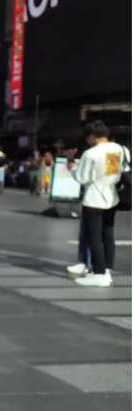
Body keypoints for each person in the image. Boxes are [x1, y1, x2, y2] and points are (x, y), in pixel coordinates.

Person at [67, 121, 129, 287]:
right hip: (113, 196)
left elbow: (82, 178)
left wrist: (73, 169)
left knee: (93, 236)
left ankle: (99, 273)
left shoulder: (91, 153)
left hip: (94, 198)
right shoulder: (121, 149)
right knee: (107, 234)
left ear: (92, 137)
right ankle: (107, 268)